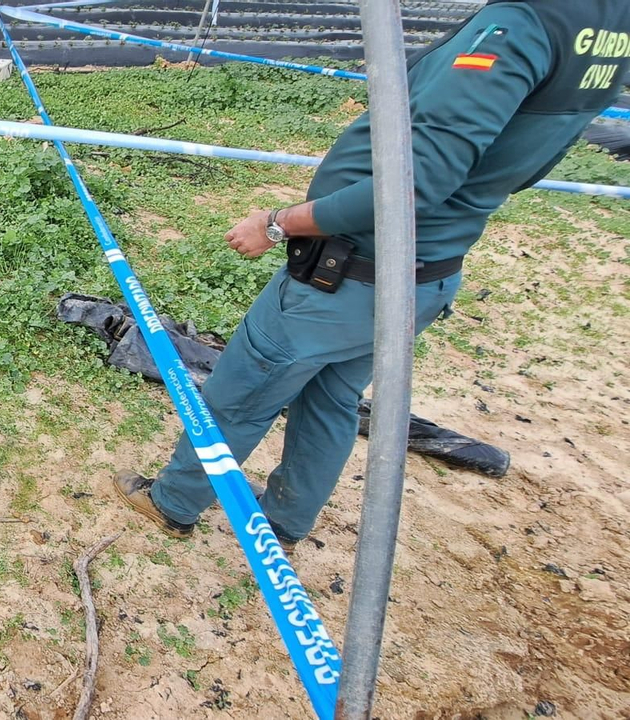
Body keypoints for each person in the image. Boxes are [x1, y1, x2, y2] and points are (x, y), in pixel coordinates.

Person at [114, 0, 630, 549]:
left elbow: (410, 185)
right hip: (420, 277)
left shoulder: (522, 26)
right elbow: (523, 162)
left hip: (346, 278)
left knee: (241, 393)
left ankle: (173, 502)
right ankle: (284, 520)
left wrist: (278, 223)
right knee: (331, 398)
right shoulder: (606, 25)